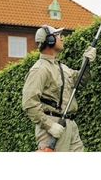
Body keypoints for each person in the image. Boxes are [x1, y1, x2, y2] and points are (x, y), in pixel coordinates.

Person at [22, 25, 96, 153]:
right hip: (52, 127)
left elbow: (79, 82)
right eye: (58, 36)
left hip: (70, 125)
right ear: (49, 40)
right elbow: (29, 103)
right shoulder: (40, 69)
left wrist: (87, 63)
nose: (61, 39)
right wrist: (49, 126)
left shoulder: (62, 67)